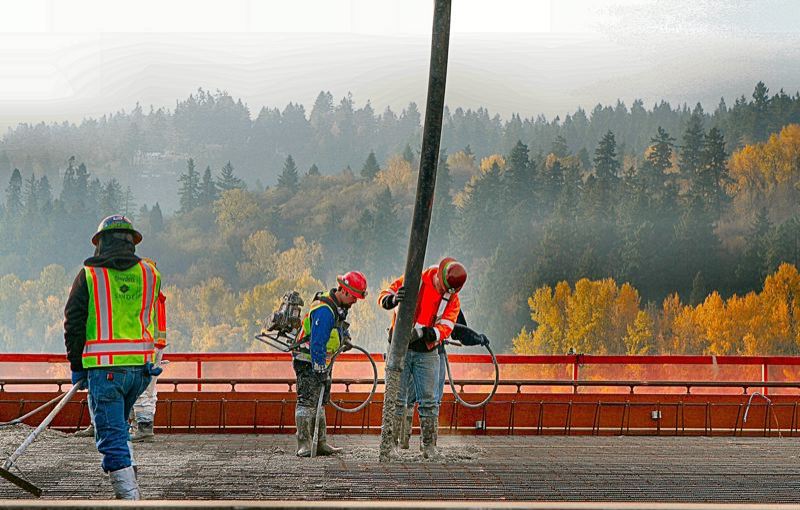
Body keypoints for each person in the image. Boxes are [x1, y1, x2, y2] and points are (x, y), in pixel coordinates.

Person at [64, 215, 162, 500]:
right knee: (120, 426)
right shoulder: (150, 274)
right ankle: (130, 478)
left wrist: (77, 365)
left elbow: (74, 322)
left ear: (100, 243)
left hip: (105, 370)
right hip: (140, 371)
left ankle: (130, 500)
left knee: (111, 437)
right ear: (132, 242)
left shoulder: (89, 275)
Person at [379, 257, 467, 459]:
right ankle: (390, 446)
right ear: (438, 275)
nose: (444, 292)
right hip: (399, 346)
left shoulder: (452, 298)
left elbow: (447, 326)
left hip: (426, 351)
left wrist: (424, 333)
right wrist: (392, 300)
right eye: (442, 287)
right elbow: (385, 294)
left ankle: (428, 447)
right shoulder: (414, 280)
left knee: (429, 401)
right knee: (397, 399)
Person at [292, 271, 367, 457]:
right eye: (354, 298)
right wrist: (319, 367)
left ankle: (320, 443)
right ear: (345, 291)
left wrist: (344, 340)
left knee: (321, 401)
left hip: (322, 361)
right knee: (307, 401)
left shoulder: (337, 307)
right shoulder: (325, 310)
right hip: (308, 361)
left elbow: (337, 328)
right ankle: (304, 444)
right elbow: (317, 342)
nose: (355, 302)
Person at [131, 257, 167, 442]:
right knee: (148, 389)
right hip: (155, 344)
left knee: (142, 388)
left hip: (147, 345)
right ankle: (142, 426)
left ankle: (144, 428)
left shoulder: (145, 294)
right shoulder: (157, 294)